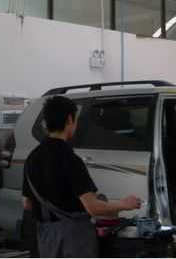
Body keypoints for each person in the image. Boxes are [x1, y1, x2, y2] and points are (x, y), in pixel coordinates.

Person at [22, 96, 142, 257]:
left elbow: (27, 204)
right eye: (76, 120)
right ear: (69, 120)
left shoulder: (32, 158)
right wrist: (125, 204)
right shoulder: (70, 159)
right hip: (74, 240)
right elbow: (93, 207)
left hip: (46, 240)